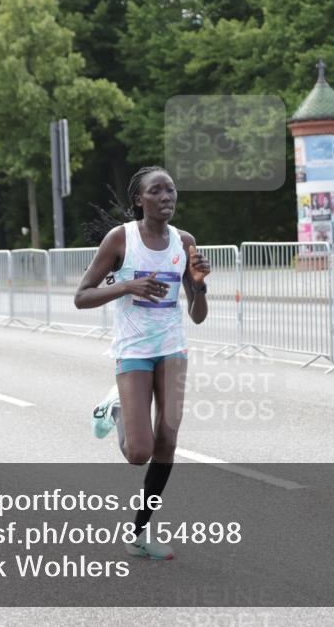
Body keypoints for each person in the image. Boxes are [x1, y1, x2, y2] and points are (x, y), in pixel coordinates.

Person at [74, 166, 210, 561]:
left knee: (167, 441)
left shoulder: (184, 242)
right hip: (133, 350)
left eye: (171, 190)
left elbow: (198, 314)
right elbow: (82, 296)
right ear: (139, 200)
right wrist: (127, 286)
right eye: (157, 191)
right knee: (139, 453)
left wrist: (199, 286)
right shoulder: (121, 239)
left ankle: (140, 532)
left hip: (172, 348)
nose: (167, 197)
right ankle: (115, 407)